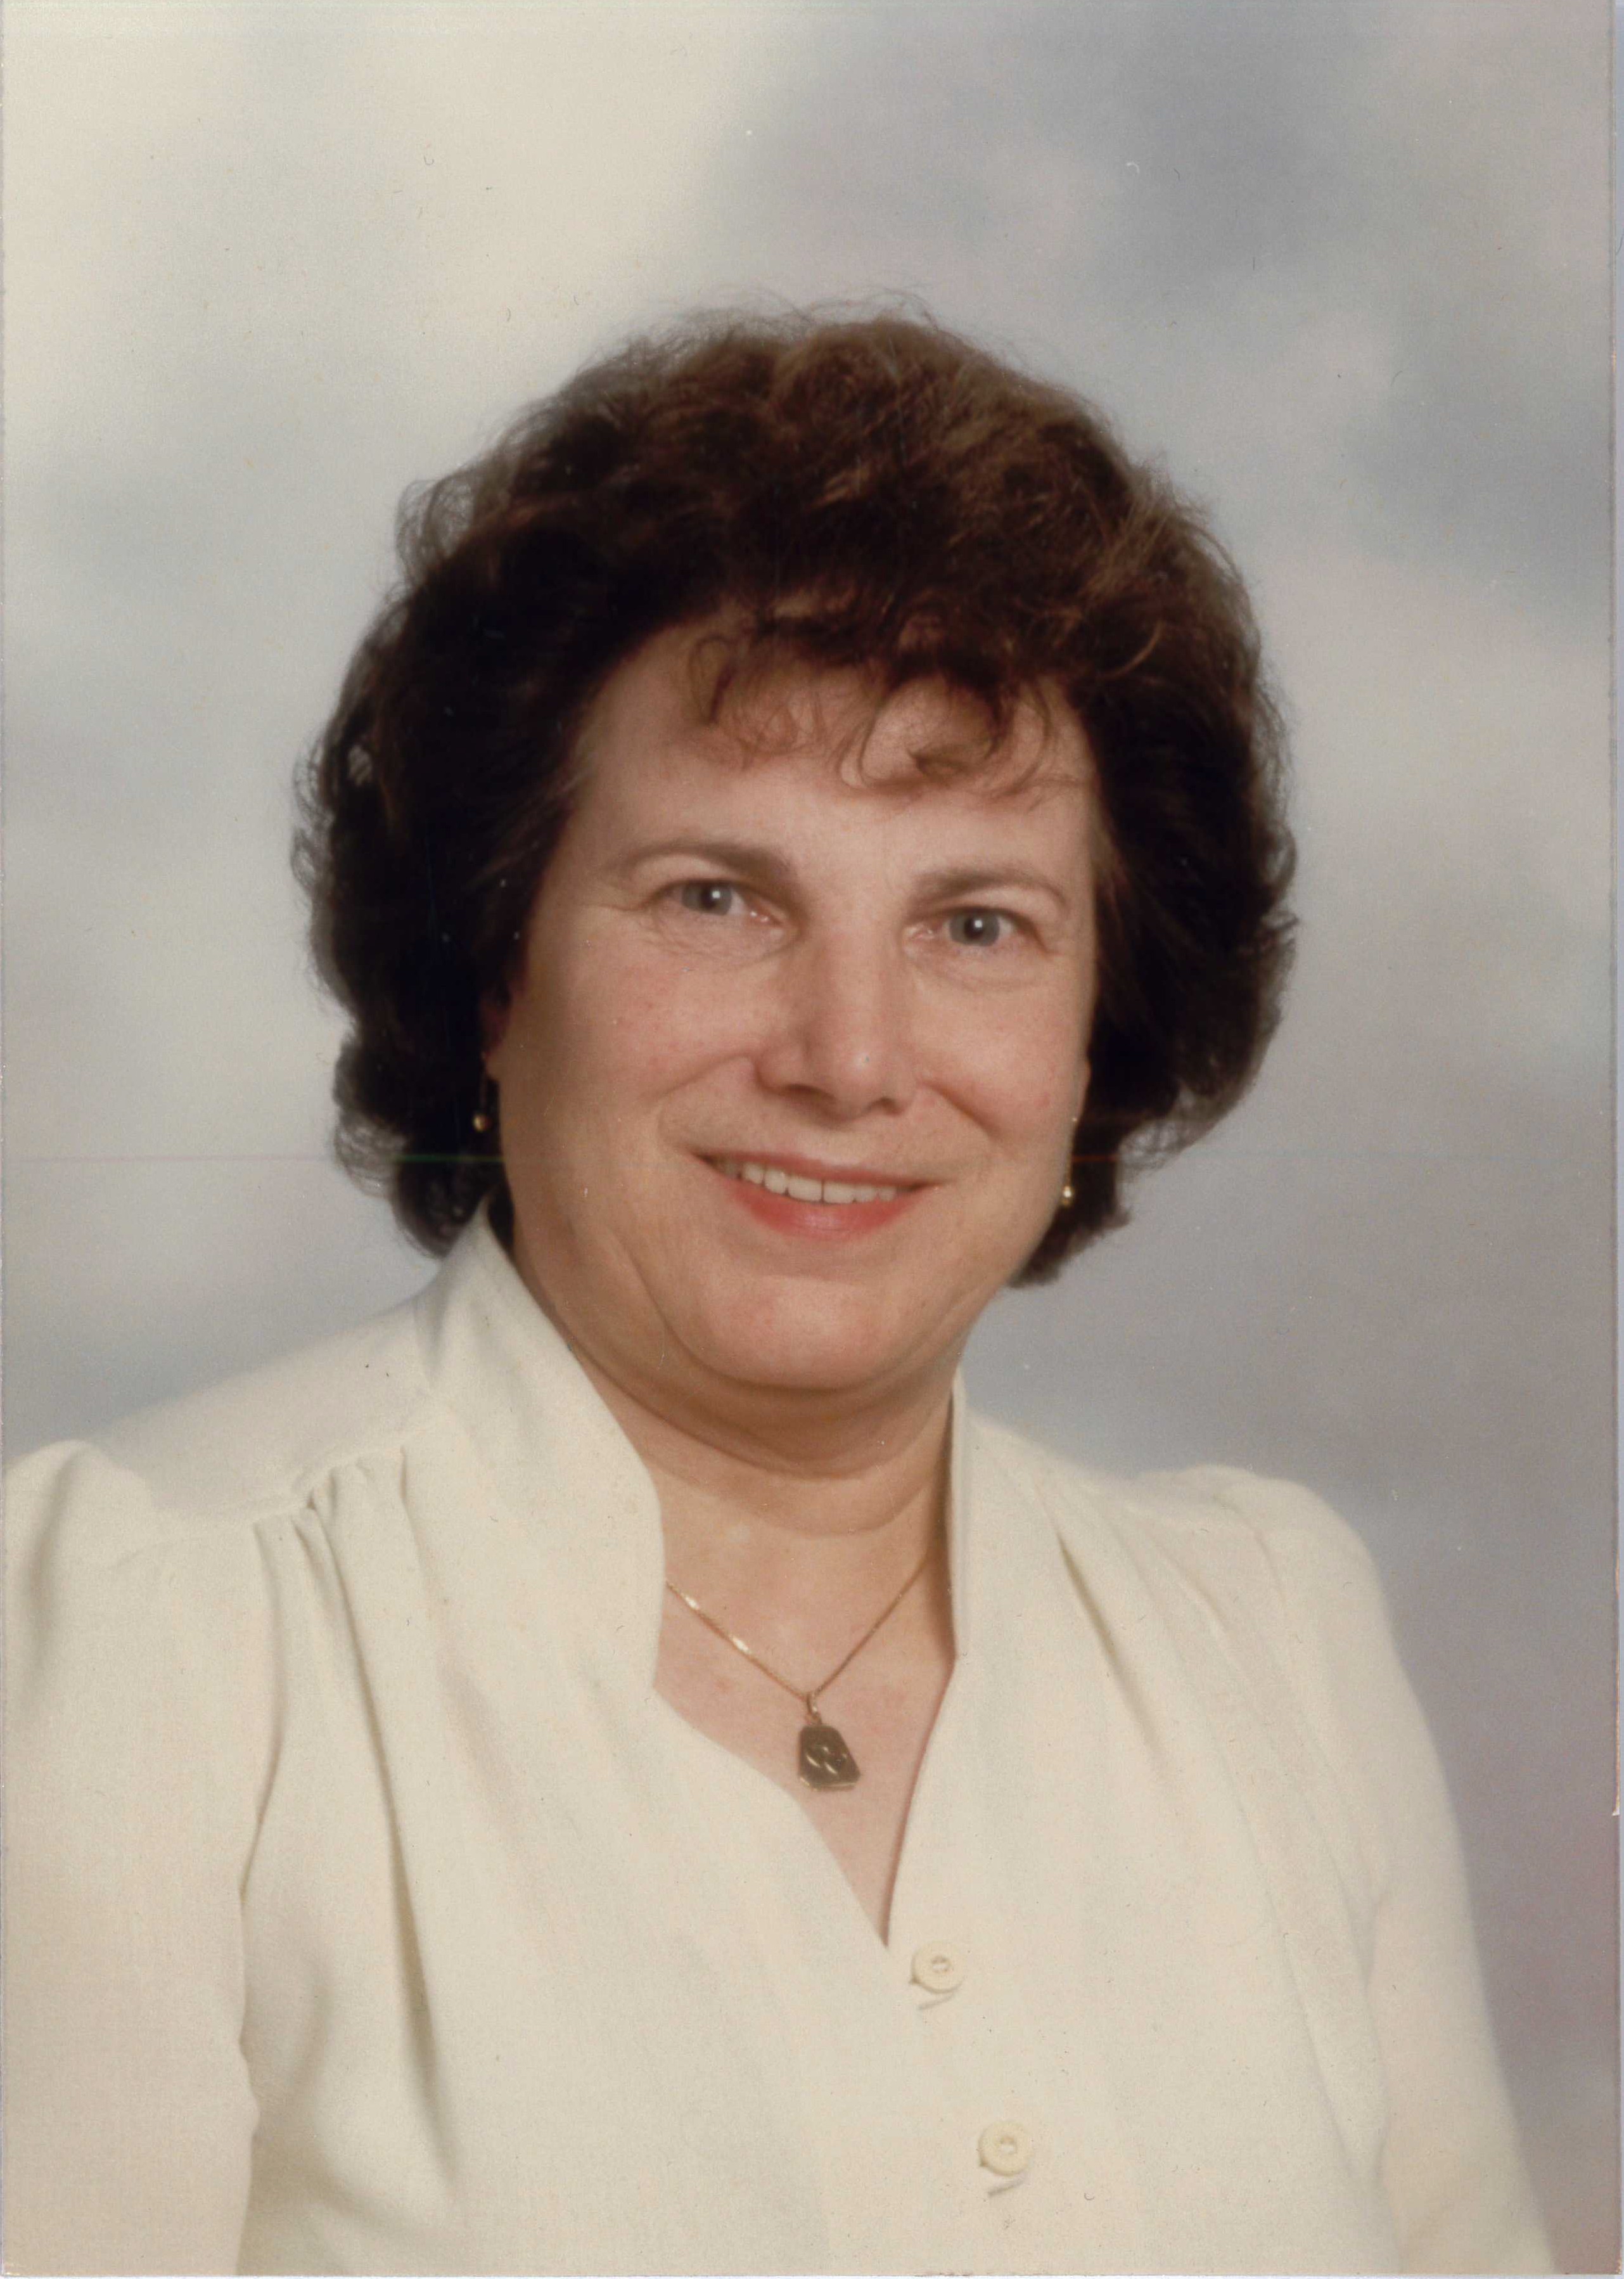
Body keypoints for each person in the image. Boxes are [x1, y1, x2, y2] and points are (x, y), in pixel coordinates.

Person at [6, 310, 1550, 2276]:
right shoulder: (144, 1633)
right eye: (717, 898)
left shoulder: (1265, 1640)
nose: (849, 1055)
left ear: (1095, 1027)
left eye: (974, 922)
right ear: (495, 966)